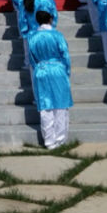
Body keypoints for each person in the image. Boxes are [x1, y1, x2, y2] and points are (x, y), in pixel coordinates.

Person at [27, 8, 72, 148]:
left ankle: (49, 140)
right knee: (60, 105)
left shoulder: (32, 37)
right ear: (50, 19)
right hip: (57, 69)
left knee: (45, 106)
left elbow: (31, 57)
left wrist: (38, 67)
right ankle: (60, 138)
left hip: (41, 69)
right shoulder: (57, 35)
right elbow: (65, 55)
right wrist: (66, 71)